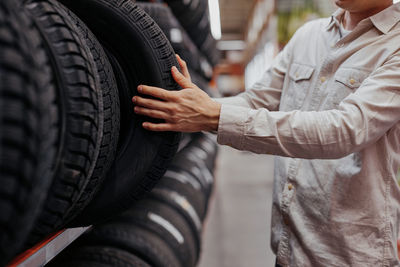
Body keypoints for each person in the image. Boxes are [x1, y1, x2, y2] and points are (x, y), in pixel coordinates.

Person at [132, 0, 400, 266]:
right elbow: (256, 99)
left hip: (349, 258)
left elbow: (344, 130)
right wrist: (196, 105)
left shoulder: (395, 46)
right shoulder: (309, 35)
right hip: (288, 252)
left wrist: (214, 115)